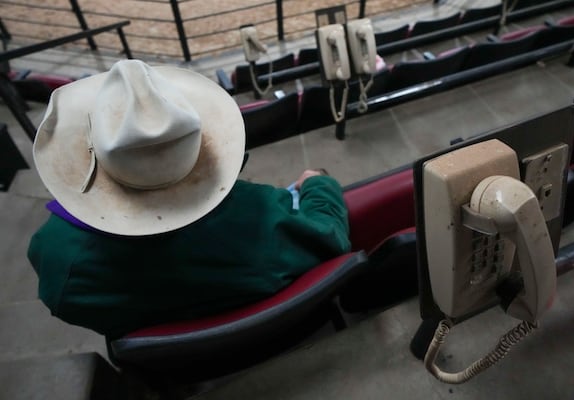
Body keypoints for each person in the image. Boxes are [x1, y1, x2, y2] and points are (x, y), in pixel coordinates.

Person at [27, 59, 351, 339]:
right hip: (282, 336)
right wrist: (318, 183)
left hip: (182, 365)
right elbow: (329, 236)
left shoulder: (57, 258)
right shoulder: (261, 214)